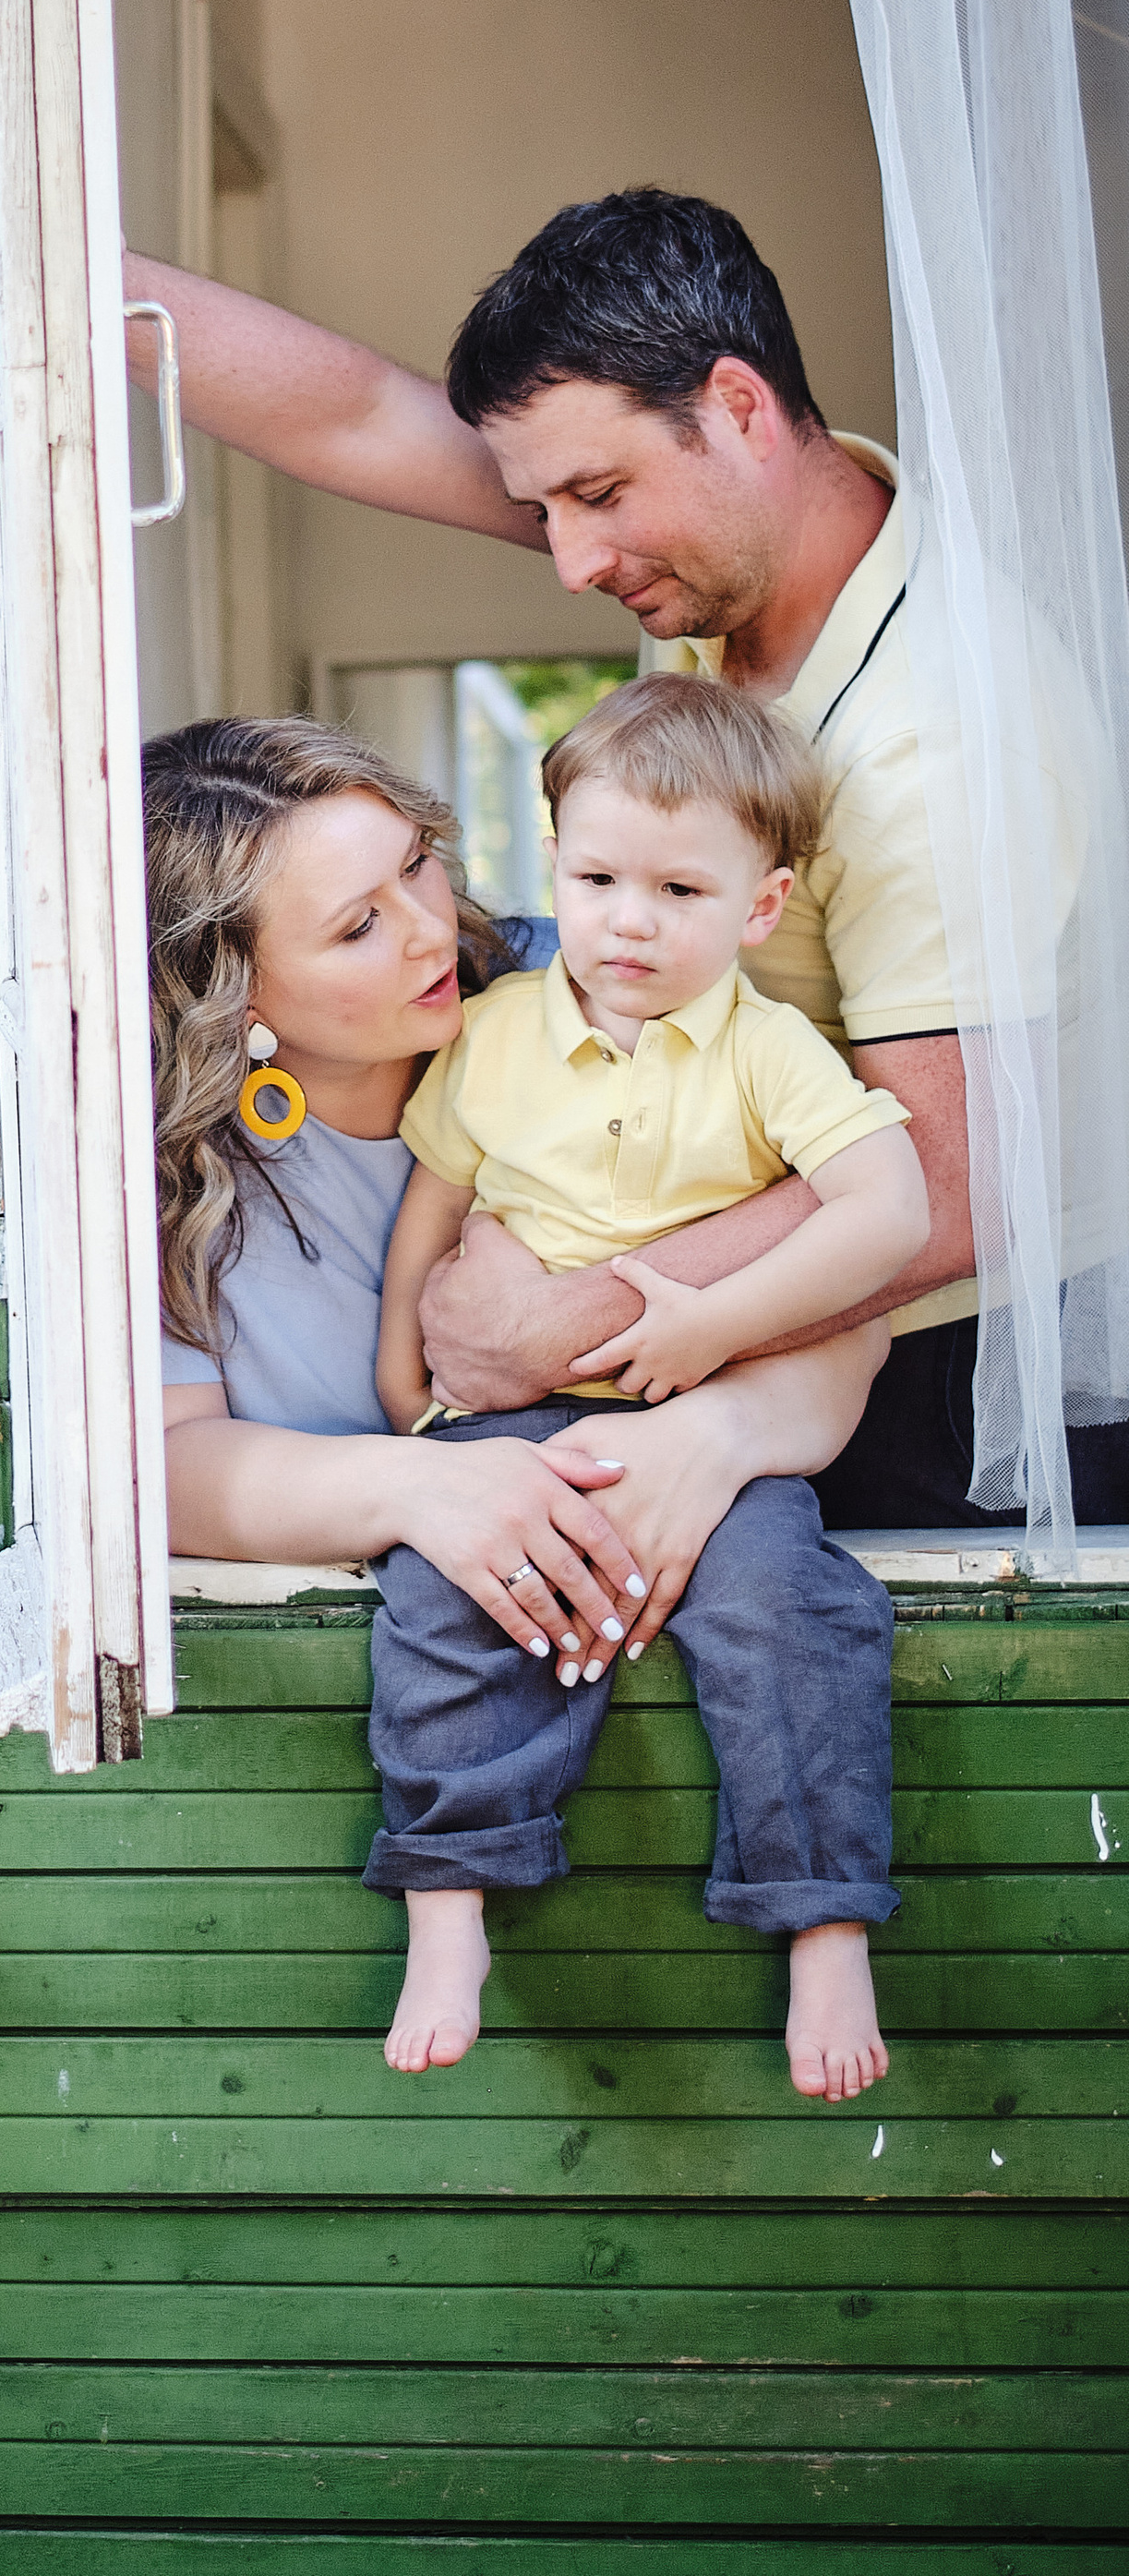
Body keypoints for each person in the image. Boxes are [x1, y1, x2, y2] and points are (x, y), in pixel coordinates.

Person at [129, 186, 1129, 1528]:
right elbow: (360, 413)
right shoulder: (719, 560)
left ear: (739, 410)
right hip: (700, 1317)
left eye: (598, 497)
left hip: (934, 1384)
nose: (571, 562)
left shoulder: (937, 742)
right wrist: (72, 275)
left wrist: (553, 1318)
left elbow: (950, 1189)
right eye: (547, 509)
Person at [147, 715, 889, 2097]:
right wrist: (426, 1488)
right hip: (442, 1632)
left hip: (682, 1540)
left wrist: (704, 1430)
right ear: (230, 984)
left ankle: (822, 1909)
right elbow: (164, 1466)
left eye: (421, 866)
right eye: (361, 925)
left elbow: (853, 1295)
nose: (436, 930)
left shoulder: (601, 976)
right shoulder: (169, 1174)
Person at [369, 677, 925, 2095]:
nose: (628, 918)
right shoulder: (493, 1033)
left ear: (760, 905)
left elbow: (889, 1212)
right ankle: (448, 1900)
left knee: (788, 1613)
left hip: (703, 1419)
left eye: (680, 888)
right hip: (503, 1422)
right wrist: (401, 1394)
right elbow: (431, 1211)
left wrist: (713, 1322)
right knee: (444, 1601)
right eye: (597, 875)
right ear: (553, 860)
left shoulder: (768, 1050)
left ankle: (823, 1917)